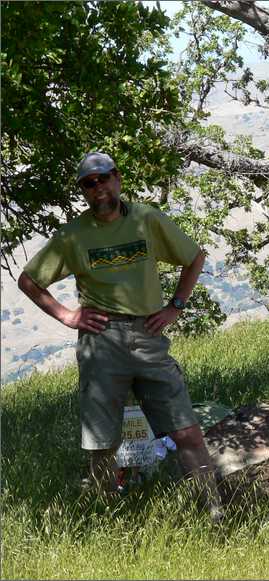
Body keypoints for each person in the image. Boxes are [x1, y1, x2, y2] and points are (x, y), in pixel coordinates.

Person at [18, 152, 222, 520]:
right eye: (89, 183)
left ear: (118, 178)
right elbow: (29, 280)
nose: (98, 188)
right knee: (102, 442)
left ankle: (214, 511)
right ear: (83, 190)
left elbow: (194, 257)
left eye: (103, 178)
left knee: (186, 430)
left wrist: (175, 306)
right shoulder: (73, 235)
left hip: (148, 335)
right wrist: (67, 314)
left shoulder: (146, 219)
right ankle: (104, 516)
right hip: (102, 342)